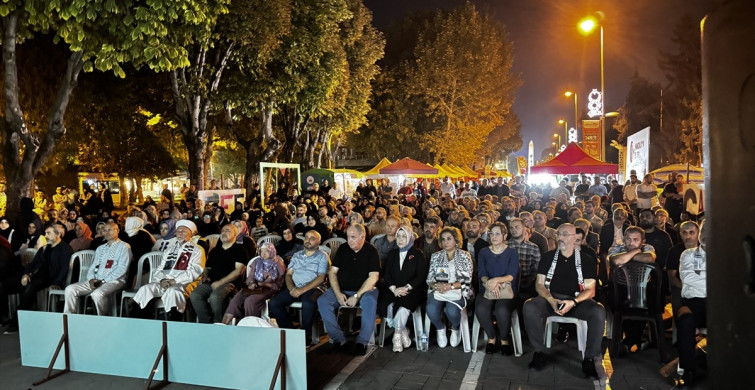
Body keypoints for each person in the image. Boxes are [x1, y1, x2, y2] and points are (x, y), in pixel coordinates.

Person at [523, 223, 604, 379]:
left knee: (598, 311)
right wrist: (551, 299)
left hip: (577, 302)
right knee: (530, 307)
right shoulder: (548, 257)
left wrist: (573, 302)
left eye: (565, 234)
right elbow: (539, 284)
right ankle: (539, 352)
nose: (560, 237)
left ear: (575, 238)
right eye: (559, 234)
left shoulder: (586, 259)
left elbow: (591, 290)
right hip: (551, 298)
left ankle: (589, 358)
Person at [317, 224, 380, 356]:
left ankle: (362, 342)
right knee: (323, 301)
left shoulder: (371, 250)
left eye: (353, 237)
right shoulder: (343, 248)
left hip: (364, 291)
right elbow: (332, 272)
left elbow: (373, 277)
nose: (349, 240)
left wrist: (357, 296)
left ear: (362, 237)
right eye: (348, 237)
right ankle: (338, 339)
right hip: (342, 289)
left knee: (370, 301)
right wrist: (338, 293)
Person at [1, 225, 73, 333]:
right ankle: (3, 316)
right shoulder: (44, 248)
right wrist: (25, 275)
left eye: (49, 233)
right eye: (45, 233)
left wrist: (57, 283)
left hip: (49, 278)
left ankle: (17, 322)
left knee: (30, 288)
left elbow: (64, 268)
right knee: (4, 285)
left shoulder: (65, 248)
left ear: (58, 234)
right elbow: (32, 264)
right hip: (36, 276)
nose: (45, 236)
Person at [130, 220, 205, 321]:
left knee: (173, 291)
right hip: (165, 281)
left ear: (190, 234)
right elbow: (160, 268)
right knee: (146, 289)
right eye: (178, 231)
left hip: (184, 282)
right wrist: (161, 280)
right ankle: (142, 322)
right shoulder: (170, 250)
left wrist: (175, 281)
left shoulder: (197, 250)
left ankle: (173, 324)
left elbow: (195, 271)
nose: (180, 234)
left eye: (184, 231)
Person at [268, 230, 329, 346]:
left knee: (308, 303)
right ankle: (291, 333)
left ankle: (306, 337)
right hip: (295, 287)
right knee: (274, 303)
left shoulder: (323, 256)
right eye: (306, 237)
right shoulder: (297, 255)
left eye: (312, 238)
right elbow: (289, 274)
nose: (308, 240)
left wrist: (301, 290)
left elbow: (321, 278)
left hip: (314, 288)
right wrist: (292, 289)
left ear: (319, 242)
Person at [63, 222, 131, 315]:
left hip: (114, 281)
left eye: (110, 230)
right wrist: (91, 279)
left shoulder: (124, 246)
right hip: (95, 280)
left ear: (117, 231)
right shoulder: (100, 248)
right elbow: (93, 266)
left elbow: (122, 269)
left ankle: (103, 319)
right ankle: (68, 317)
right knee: (70, 289)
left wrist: (103, 281)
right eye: (104, 230)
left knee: (97, 294)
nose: (106, 232)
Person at [607, 226, 656, 352]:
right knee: (615, 299)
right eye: (628, 239)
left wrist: (627, 257)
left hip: (643, 288)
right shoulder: (616, 247)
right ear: (624, 240)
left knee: (643, 300)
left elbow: (649, 258)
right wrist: (635, 252)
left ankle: (630, 341)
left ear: (642, 241)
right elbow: (616, 261)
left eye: (635, 239)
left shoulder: (648, 248)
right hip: (621, 288)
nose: (631, 242)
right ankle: (634, 340)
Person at [378, 226, 427, 352]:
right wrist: (394, 289)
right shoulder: (392, 254)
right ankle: (403, 332)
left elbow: (421, 275)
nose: (400, 239)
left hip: (413, 290)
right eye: (398, 236)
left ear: (410, 238)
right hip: (394, 289)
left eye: (404, 236)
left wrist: (406, 288)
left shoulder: (417, 254)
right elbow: (387, 274)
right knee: (386, 304)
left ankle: (397, 336)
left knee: (403, 309)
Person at [426, 227, 474, 349]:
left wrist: (450, 286)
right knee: (431, 309)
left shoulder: (464, 256)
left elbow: (466, 279)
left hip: (457, 289)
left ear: (456, 241)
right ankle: (440, 329)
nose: (445, 242)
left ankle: (455, 328)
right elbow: (430, 278)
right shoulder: (436, 256)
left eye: (449, 239)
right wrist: (435, 285)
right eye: (443, 239)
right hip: (439, 290)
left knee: (451, 311)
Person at [476, 223, 519, 355]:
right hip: (487, 288)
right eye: (491, 234)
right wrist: (490, 283)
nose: (493, 236)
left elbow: (512, 275)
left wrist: (497, 280)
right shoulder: (484, 252)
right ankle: (492, 338)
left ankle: (505, 339)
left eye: (497, 233)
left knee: (502, 310)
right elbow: (481, 274)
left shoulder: (512, 252)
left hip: (506, 289)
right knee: (481, 309)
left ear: (505, 235)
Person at [190, 224, 247, 323]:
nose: (224, 233)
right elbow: (207, 267)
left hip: (229, 284)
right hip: (211, 282)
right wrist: (205, 276)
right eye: (223, 231)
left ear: (235, 235)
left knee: (215, 297)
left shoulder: (240, 250)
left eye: (228, 231)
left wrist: (220, 282)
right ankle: (205, 322)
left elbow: (239, 271)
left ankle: (219, 323)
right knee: (195, 294)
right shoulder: (215, 251)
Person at [675, 221, 707, 388]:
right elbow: (689, 280)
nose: (707, 235)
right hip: (692, 302)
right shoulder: (688, 254)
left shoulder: (725, 254)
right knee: (686, 321)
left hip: (716, 302)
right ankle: (688, 371)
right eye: (704, 231)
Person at [506, 218, 540, 298]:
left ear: (524, 229)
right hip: (508, 281)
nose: (513, 230)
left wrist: (529, 280)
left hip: (527, 281)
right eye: (511, 228)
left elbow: (537, 268)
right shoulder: (505, 246)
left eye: (517, 227)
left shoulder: (533, 247)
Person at [122, 217, 157, 288]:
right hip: (128, 260)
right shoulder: (123, 234)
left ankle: (128, 290)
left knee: (131, 268)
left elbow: (145, 251)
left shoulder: (143, 234)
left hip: (141, 262)